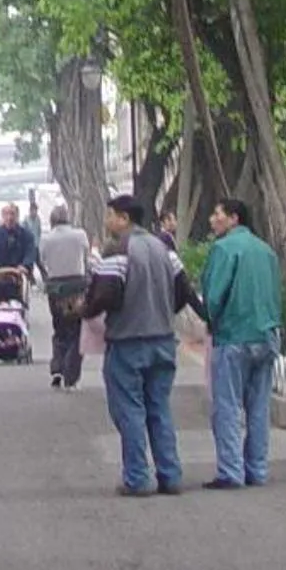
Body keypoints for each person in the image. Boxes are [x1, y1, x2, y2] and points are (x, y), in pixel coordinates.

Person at [82, 194, 187, 496]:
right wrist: (163, 312)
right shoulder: (164, 247)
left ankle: (137, 478)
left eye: (110, 215)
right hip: (164, 341)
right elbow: (183, 291)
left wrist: (83, 311)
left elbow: (104, 295)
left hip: (128, 342)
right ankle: (170, 475)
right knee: (160, 408)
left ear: (124, 218)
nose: (107, 221)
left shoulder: (118, 249)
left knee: (129, 410)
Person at [199, 196, 284, 488]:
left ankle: (231, 471)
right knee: (259, 407)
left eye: (217, 213)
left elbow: (213, 296)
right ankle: (257, 470)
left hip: (234, 335)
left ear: (234, 218)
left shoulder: (223, 249)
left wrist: (211, 321)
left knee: (228, 405)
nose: (212, 219)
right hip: (266, 334)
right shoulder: (266, 251)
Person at [36, 203, 93, 390]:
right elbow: (87, 258)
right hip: (77, 287)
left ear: (52, 220)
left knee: (60, 329)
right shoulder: (80, 235)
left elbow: (42, 260)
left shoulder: (46, 239)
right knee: (77, 331)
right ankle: (71, 375)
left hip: (56, 288)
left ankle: (57, 368)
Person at [0, 202, 40, 281]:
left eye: (12, 214)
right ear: (2, 216)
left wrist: (25, 265)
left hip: (19, 274)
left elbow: (30, 253)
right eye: (6, 214)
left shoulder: (27, 235)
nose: (9, 218)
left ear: (17, 216)